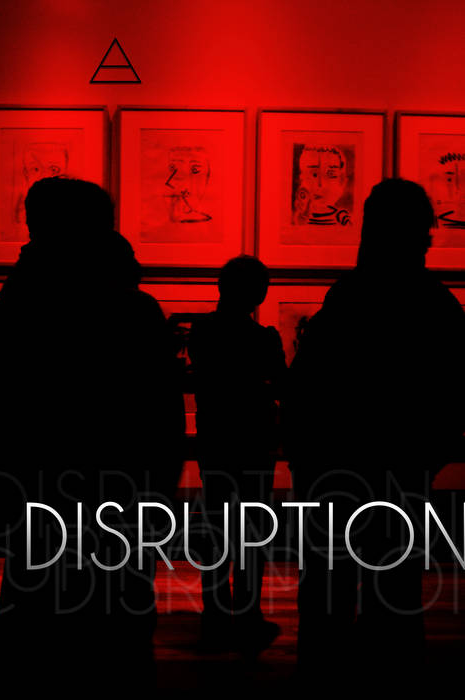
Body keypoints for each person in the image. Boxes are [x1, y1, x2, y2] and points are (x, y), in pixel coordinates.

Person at [0, 177, 185, 686]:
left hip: (39, 495)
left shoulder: (14, 311)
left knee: (36, 630)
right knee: (117, 636)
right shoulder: (133, 311)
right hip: (121, 495)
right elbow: (162, 416)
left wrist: (1, 496)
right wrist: (159, 493)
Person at [283, 178, 465, 679]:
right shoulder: (435, 304)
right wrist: (430, 453)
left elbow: (310, 385)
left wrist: (303, 452)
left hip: (333, 465)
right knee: (394, 592)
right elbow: (451, 394)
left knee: (327, 590)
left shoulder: (348, 297)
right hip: (401, 467)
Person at [188, 255, 286, 654]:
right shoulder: (263, 339)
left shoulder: (202, 332)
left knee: (216, 526)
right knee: (252, 531)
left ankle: (215, 611)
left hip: (216, 439)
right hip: (254, 442)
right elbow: (280, 383)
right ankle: (246, 611)